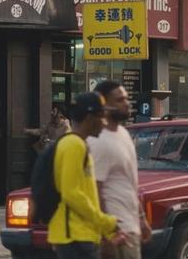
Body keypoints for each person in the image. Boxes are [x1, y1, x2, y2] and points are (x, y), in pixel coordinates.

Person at [48, 92, 128, 259]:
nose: (105, 122)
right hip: (76, 237)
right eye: (102, 117)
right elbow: (72, 193)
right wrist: (106, 222)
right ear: (91, 118)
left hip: (80, 235)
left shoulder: (77, 144)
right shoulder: (74, 146)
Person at [88, 81, 152, 259]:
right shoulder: (98, 140)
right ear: (104, 104)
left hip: (131, 226)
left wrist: (141, 217)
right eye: (120, 99)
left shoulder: (123, 134)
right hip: (116, 231)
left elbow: (130, 183)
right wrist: (105, 235)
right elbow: (95, 190)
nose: (126, 103)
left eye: (126, 98)